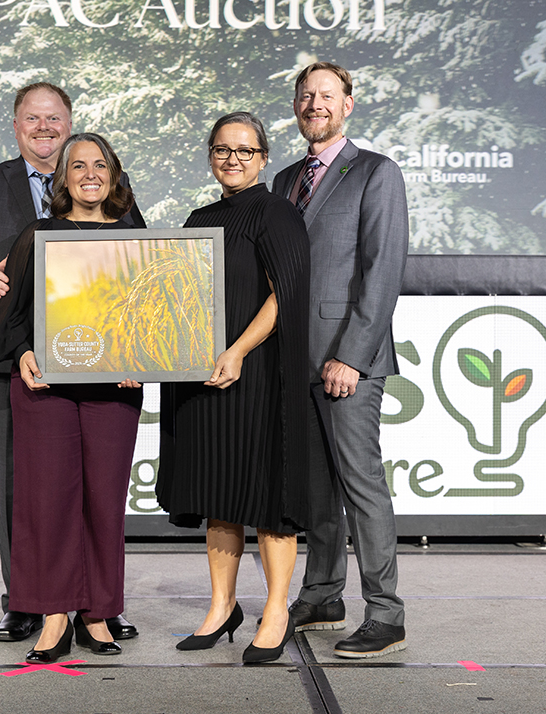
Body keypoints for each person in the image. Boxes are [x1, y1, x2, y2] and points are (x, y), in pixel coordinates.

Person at [0, 82, 143, 643]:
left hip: (102, 368)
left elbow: (140, 267)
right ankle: (24, 600)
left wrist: (139, 351)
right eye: (33, 118)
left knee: (97, 485)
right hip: (11, 359)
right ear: (17, 124)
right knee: (23, 486)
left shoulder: (109, 190)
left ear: (69, 124)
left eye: (55, 118)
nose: (44, 127)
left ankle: (99, 603)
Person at [156, 112, 311, 664]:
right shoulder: (200, 217)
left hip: (260, 375)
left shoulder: (277, 213)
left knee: (269, 502)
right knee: (219, 498)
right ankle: (222, 608)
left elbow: (285, 294)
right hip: (204, 378)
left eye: (245, 151)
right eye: (222, 149)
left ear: (264, 158)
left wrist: (238, 351)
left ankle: (276, 611)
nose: (232, 159)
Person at [271, 61, 409, 658]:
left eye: (326, 95)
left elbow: (382, 271)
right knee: (314, 490)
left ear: (348, 104)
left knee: (361, 484)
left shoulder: (376, 172)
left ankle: (386, 612)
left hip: (347, 360)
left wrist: (351, 355)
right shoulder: (281, 181)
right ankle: (324, 593)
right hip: (290, 360)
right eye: (306, 96)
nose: (314, 104)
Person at [0, 133, 144, 663]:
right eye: (77, 166)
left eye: (99, 165)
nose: (89, 174)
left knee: (104, 501)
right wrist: (23, 354)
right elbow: (11, 318)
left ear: (114, 174)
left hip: (115, 390)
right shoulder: (38, 235)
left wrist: (143, 359)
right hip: (46, 388)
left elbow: (148, 314)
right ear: (62, 178)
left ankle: (98, 612)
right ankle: (55, 615)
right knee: (48, 501)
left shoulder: (134, 238)